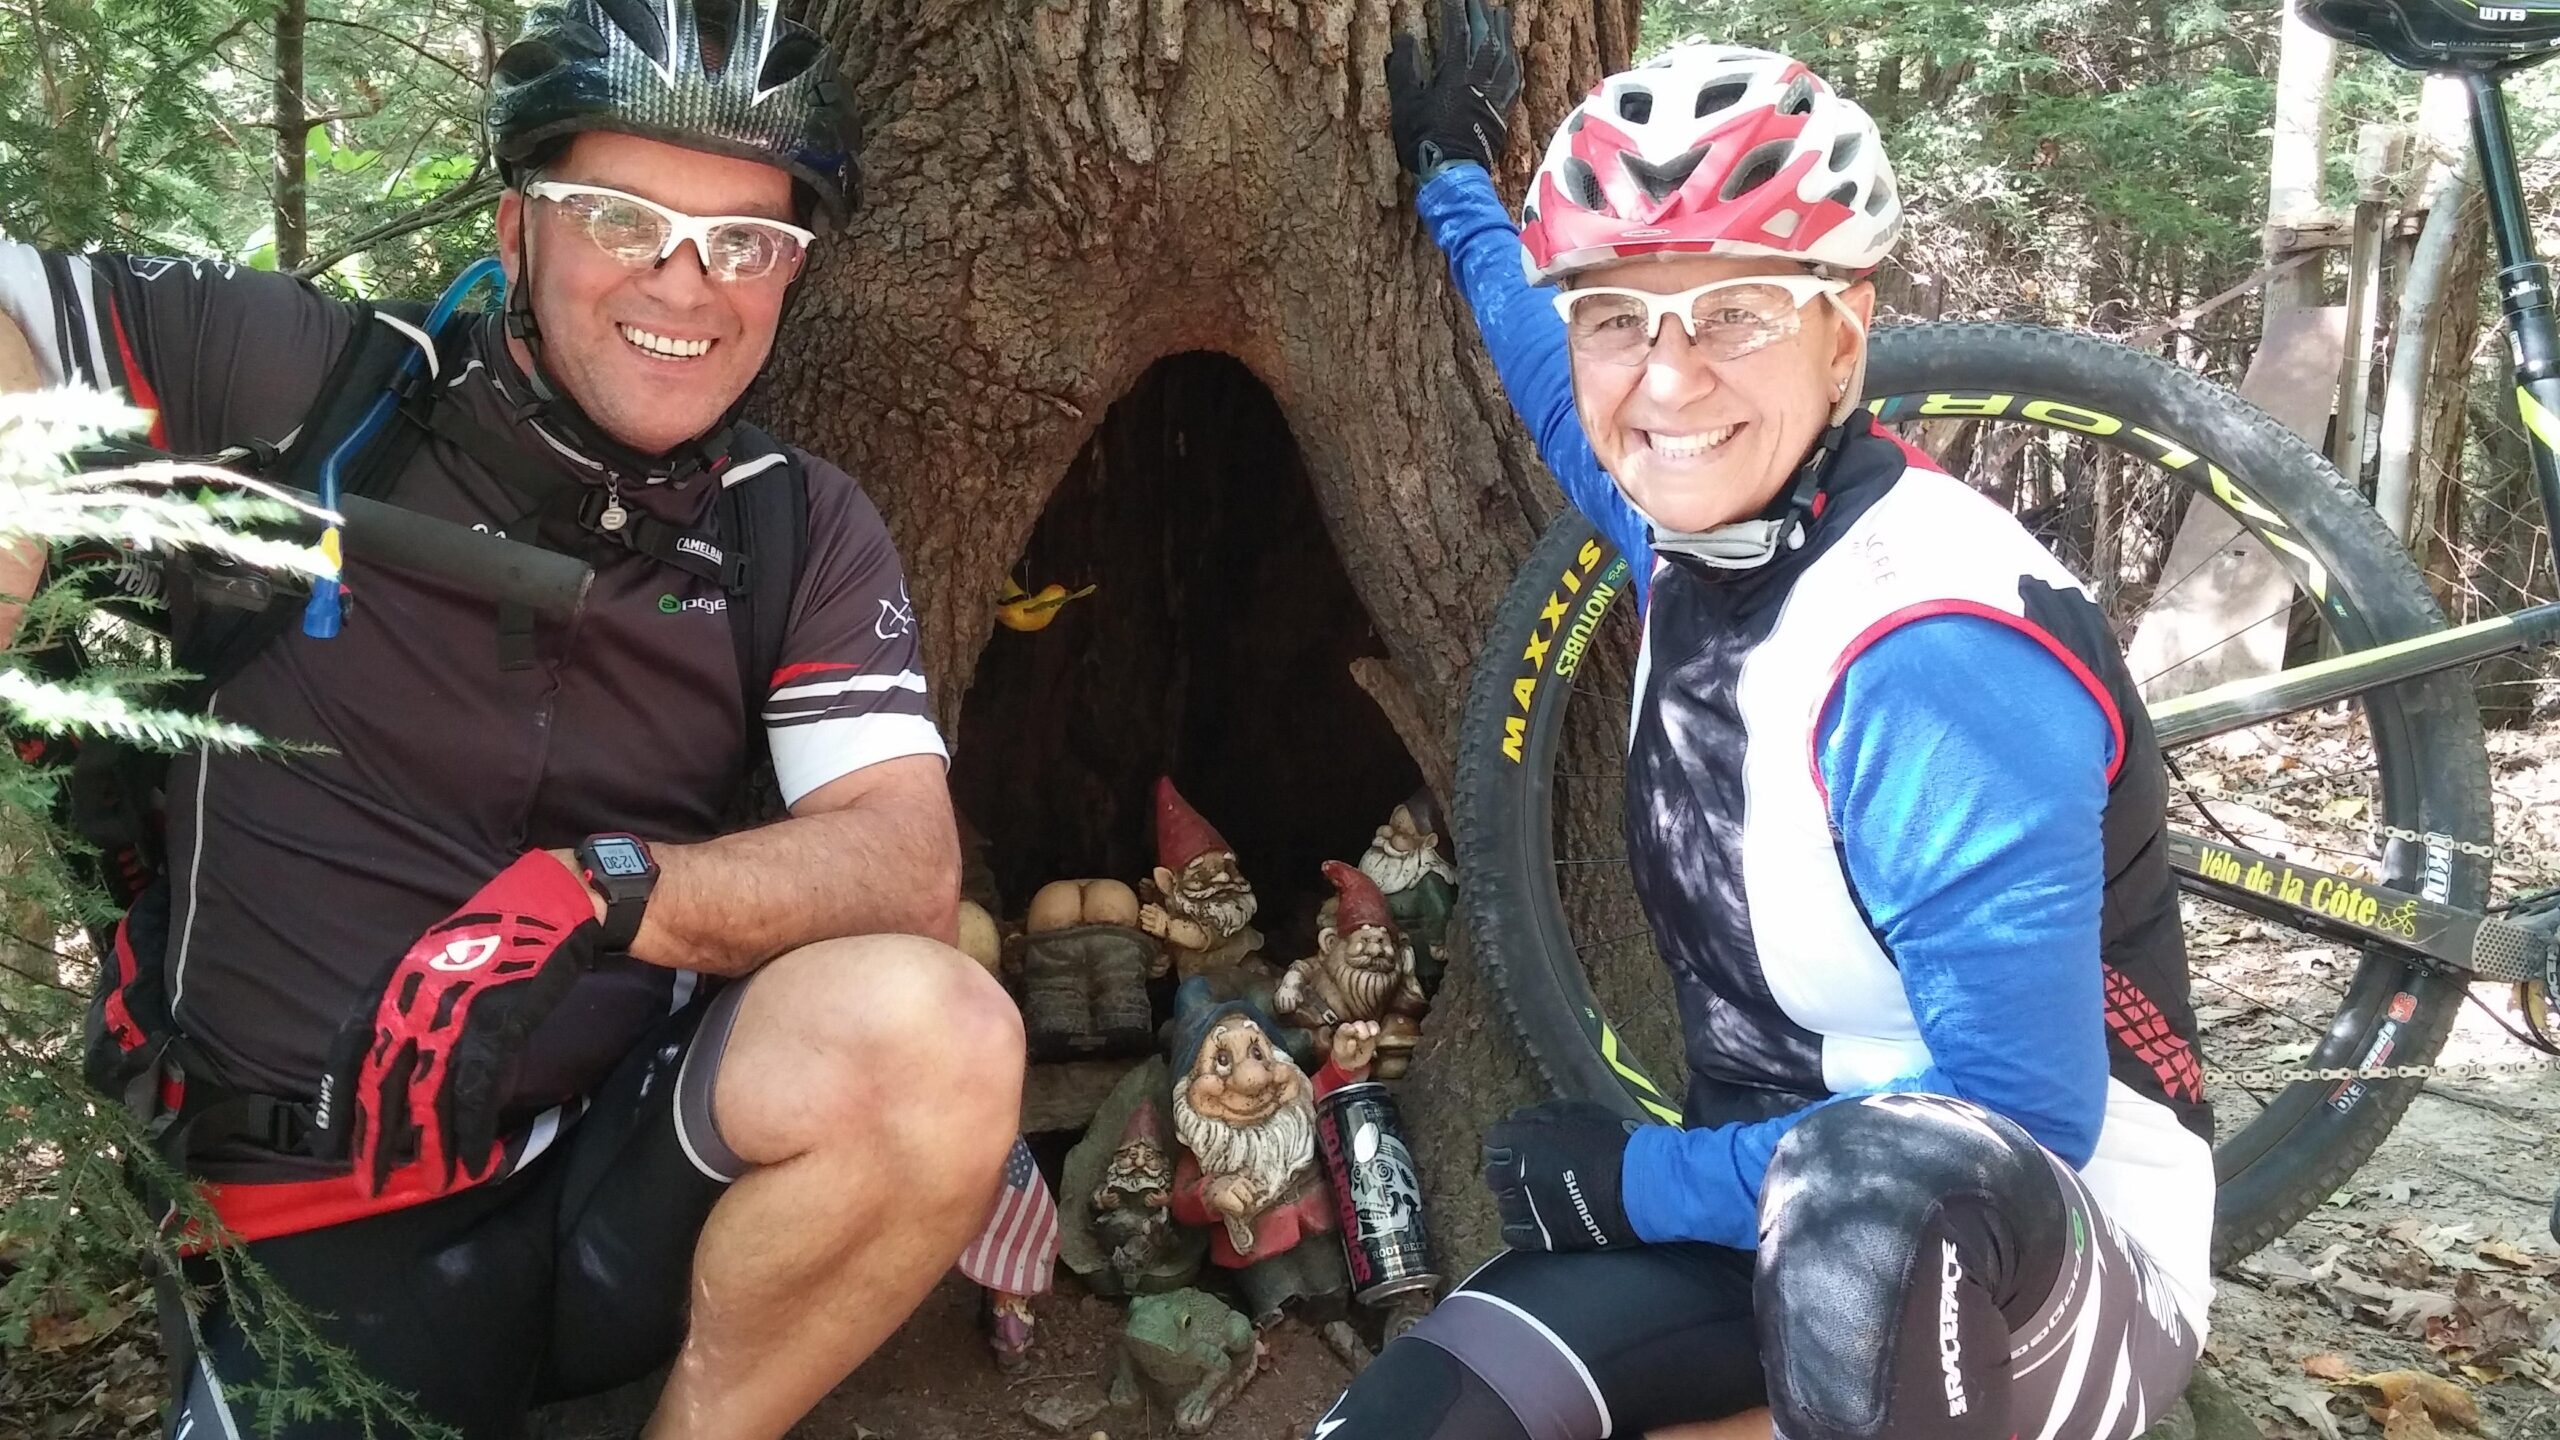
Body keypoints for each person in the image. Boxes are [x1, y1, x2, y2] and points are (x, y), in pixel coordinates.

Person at [0, 1, 1026, 1435]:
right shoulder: (311, 392)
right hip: (315, 1218)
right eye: (621, 218)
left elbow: (903, 863)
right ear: (515, 227)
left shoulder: (792, 525)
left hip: (620, 1172)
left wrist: (602, 892)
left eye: (745, 242)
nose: (686, 284)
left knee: (940, 1034)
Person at [1314, 7, 2217, 1440]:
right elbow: (1553, 380)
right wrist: (1455, 186)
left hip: (2035, 1253)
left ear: (1843, 335)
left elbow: (2012, 1121)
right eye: (1621, 315)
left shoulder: (1933, 658)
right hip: (1766, 1216)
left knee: (1882, 1221)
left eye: (1736, 310)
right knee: (1422, 1419)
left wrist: (1640, 1182)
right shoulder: (1694, 527)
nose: (1668, 379)